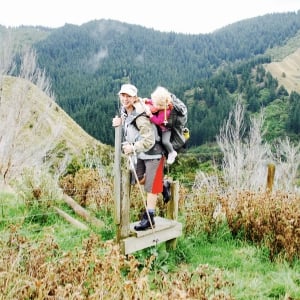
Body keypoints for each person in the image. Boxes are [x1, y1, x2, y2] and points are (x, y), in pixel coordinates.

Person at [112, 83, 165, 231]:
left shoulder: (141, 115)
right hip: (141, 153)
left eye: (128, 96)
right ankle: (163, 184)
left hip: (153, 152)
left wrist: (132, 147)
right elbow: (130, 124)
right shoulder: (125, 111)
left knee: (151, 187)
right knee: (137, 178)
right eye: (123, 95)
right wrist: (120, 122)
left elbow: (149, 140)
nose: (125, 98)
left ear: (135, 97)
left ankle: (149, 219)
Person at [144, 86, 177, 164]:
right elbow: (153, 102)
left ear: (162, 105)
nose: (155, 105)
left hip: (166, 129)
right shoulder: (163, 104)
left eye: (157, 104)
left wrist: (150, 115)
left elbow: (158, 121)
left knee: (165, 141)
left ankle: (172, 152)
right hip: (162, 128)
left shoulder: (166, 112)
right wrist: (147, 101)